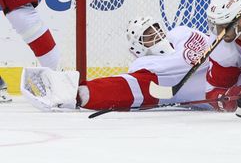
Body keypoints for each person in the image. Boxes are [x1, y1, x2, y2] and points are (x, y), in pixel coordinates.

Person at [21, 17, 211, 111]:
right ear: (138, 48)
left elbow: (201, 52)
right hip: (221, 96)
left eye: (156, 28)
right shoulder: (146, 67)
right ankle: (69, 92)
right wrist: (80, 94)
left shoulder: (181, 33)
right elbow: (127, 87)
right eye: (148, 35)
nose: (156, 34)